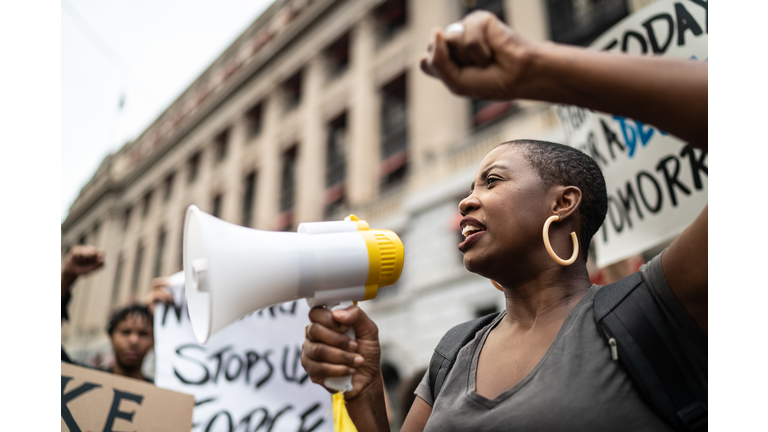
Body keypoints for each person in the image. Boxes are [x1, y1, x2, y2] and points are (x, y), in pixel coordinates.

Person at [300, 10, 706, 432]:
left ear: (563, 203)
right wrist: (364, 392)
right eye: (470, 188)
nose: (465, 202)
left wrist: (537, 68)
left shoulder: (652, 306)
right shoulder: (454, 352)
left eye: (491, 181)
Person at [62, 245, 175, 382]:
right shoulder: (85, 380)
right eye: (126, 332)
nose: (134, 340)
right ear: (111, 336)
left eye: (143, 334)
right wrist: (66, 278)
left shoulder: (166, 392)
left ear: (154, 340)